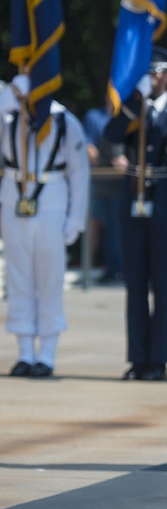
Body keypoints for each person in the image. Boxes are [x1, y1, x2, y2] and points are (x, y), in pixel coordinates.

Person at [103, 47, 167, 381]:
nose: (152, 78)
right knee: (134, 284)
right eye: (148, 73)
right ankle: (137, 358)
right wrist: (133, 103)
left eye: (157, 72)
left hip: (164, 200)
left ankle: (158, 359)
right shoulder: (133, 110)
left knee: (161, 283)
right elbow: (111, 135)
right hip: (132, 199)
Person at [1, 77, 89, 378]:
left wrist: (75, 219)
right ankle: (24, 351)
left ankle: (47, 354)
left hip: (51, 204)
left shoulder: (65, 121)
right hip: (14, 201)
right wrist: (7, 99)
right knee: (18, 279)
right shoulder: (8, 116)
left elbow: (79, 174)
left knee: (49, 281)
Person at [82, 97, 123, 283]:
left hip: (122, 185)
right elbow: (90, 148)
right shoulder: (94, 116)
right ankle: (111, 269)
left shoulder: (127, 117)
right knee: (107, 228)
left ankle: (118, 269)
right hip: (101, 182)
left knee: (118, 229)